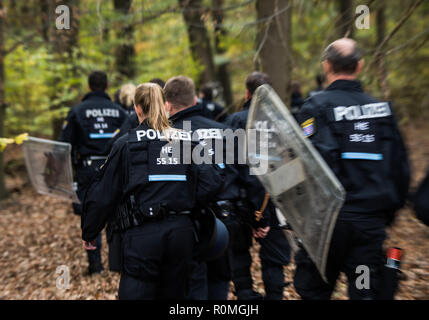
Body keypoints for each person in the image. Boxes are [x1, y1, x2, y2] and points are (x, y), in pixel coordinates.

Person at [81, 83, 224, 299]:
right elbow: (211, 184)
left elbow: (103, 194)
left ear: (137, 108)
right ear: (165, 105)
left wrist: (89, 231)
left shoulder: (126, 144)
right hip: (182, 234)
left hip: (142, 235)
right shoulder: (188, 140)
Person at [294, 38, 410, 300]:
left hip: (327, 231)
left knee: (314, 292)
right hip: (367, 228)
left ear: (326, 66)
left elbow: (306, 166)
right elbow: (400, 169)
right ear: (360, 66)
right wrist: (386, 214)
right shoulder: (382, 112)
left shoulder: (315, 108)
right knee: (364, 289)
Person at [164, 76, 245, 300]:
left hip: (190, 220)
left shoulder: (170, 135)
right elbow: (244, 172)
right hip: (226, 215)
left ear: (167, 104)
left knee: (193, 282)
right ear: (195, 99)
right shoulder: (224, 130)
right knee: (220, 279)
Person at [226, 72, 292, 300]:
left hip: (242, 201)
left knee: (239, 253)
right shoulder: (281, 122)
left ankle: (245, 296)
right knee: (272, 257)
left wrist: (254, 214)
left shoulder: (235, 121)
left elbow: (231, 167)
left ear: (247, 93)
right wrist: (261, 216)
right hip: (272, 200)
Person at [59, 70, 128, 275]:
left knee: (91, 215)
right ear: (107, 86)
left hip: (88, 170)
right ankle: (117, 262)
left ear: (89, 87)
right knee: (116, 214)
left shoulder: (77, 112)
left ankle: (96, 266)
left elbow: (64, 145)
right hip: (114, 168)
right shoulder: (120, 111)